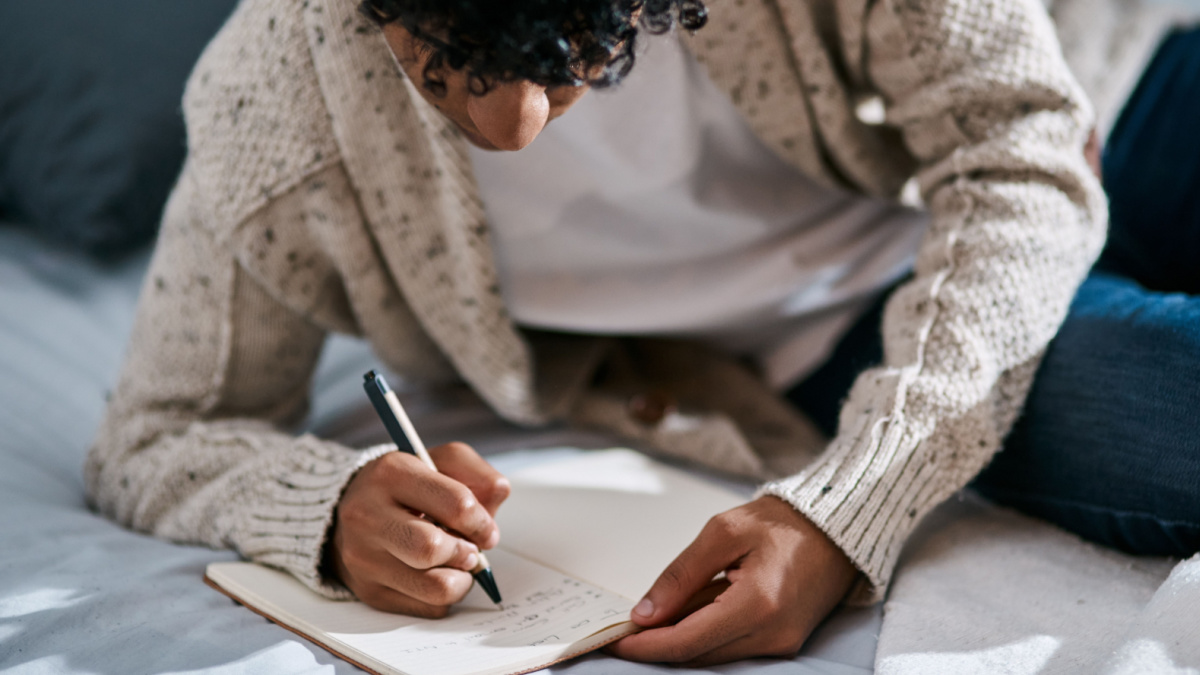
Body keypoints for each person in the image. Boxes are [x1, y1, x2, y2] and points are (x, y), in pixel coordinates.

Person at [85, 0, 1195, 666]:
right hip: (853, 325)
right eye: (437, 64)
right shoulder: (271, 106)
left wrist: (852, 506)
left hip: (1096, 107)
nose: (509, 124)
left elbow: (1018, 149)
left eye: (573, 48)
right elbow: (156, 433)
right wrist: (325, 511)